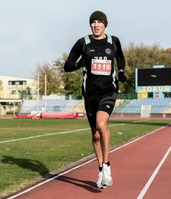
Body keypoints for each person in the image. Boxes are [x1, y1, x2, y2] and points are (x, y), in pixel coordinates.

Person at [64, 11, 126, 189]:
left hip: (108, 91)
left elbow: (121, 59)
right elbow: (67, 65)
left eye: (99, 22)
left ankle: (106, 166)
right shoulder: (83, 42)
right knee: (95, 134)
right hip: (89, 94)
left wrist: (121, 72)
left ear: (105, 24)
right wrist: (79, 63)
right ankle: (100, 169)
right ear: (90, 25)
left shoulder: (113, 41)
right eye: (93, 22)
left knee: (101, 124)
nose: (96, 25)